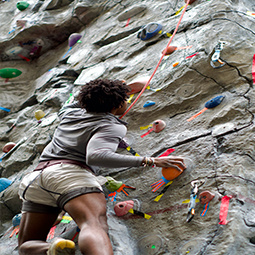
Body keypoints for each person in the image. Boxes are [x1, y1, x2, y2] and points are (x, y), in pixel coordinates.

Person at [18, 79, 186, 255]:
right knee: (93, 224)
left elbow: (80, 101)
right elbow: (96, 155)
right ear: (118, 104)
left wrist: (116, 90)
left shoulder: (69, 113)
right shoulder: (112, 125)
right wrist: (150, 160)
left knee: (27, 244)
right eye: (125, 99)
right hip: (69, 175)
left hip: (35, 179)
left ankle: (51, 249)